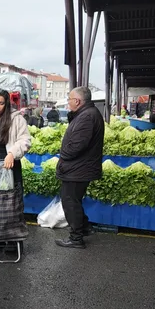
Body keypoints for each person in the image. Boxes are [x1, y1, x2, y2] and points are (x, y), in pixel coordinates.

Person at [55, 86, 105, 249]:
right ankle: (84, 228)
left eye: (69, 99)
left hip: (78, 168)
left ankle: (76, 238)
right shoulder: (87, 114)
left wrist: (63, 154)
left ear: (77, 101)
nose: (68, 102)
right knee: (73, 200)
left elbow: (77, 145)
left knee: (70, 201)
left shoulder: (87, 117)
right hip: (80, 167)